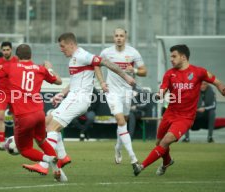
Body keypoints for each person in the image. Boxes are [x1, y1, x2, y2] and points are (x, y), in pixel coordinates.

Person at [22, 32, 135, 175]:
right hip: (72, 97)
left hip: (79, 99)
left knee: (52, 127)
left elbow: (105, 62)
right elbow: (74, 82)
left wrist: (125, 76)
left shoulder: (83, 55)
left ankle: (43, 165)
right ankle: (62, 157)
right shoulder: (74, 59)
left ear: (71, 44)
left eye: (63, 46)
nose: (61, 49)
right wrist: (61, 94)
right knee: (47, 121)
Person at [0, 44, 67, 182]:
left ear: (17, 56)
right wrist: (49, 68)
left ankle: (47, 159)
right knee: (41, 140)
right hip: (38, 113)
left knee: (24, 149)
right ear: (31, 56)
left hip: (23, 116)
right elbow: (59, 81)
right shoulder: (40, 69)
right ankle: (59, 172)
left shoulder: (10, 66)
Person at [133, 44, 225, 176]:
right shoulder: (169, 74)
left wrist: (222, 88)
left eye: (174, 56)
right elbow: (163, 87)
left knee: (165, 141)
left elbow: (216, 81)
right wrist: (160, 94)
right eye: (170, 56)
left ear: (183, 57)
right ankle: (167, 162)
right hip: (170, 113)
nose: (171, 59)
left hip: (185, 117)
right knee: (159, 142)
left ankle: (141, 166)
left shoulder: (199, 72)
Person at [95, 28, 147, 170]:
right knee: (120, 120)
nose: (119, 38)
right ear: (113, 37)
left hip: (126, 92)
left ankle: (118, 147)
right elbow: (96, 66)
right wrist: (102, 82)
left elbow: (144, 71)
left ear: (125, 37)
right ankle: (133, 158)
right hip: (112, 91)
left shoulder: (133, 52)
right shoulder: (106, 52)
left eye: (121, 36)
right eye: (116, 35)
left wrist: (134, 70)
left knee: (123, 120)